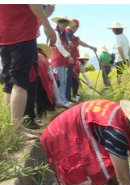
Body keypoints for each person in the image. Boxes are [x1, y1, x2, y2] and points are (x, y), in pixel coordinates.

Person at [0, 4, 56, 140]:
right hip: (22, 33)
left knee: (9, 82)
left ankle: (11, 127)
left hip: (4, 34)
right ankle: (16, 128)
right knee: (20, 82)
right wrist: (47, 25)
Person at [65, 19, 97, 103]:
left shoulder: (74, 36)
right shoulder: (68, 32)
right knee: (69, 81)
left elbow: (80, 42)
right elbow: (69, 43)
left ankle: (73, 96)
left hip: (72, 61)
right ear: (76, 26)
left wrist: (91, 47)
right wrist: (69, 55)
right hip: (69, 61)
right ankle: (67, 99)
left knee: (73, 81)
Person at [50, 15, 76, 109]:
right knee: (59, 81)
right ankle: (60, 101)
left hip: (63, 61)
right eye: (61, 23)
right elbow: (59, 46)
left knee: (63, 81)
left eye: (65, 24)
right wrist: (69, 56)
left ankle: (63, 100)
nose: (63, 25)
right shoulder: (56, 33)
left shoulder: (62, 34)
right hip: (57, 60)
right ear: (58, 23)